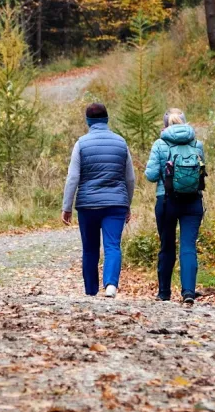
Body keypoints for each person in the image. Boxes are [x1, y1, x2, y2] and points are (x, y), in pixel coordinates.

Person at [62, 103, 136, 298]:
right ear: (107, 119)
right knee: (112, 245)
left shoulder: (81, 144)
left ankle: (91, 291)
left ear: (88, 121)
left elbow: (73, 178)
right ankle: (111, 285)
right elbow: (130, 178)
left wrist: (67, 207)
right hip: (116, 204)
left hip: (88, 205)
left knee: (89, 248)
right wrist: (127, 203)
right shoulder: (121, 143)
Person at [145, 108, 205, 304]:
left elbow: (151, 175)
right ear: (185, 123)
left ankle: (164, 293)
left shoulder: (160, 144)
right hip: (193, 201)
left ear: (165, 126)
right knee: (188, 247)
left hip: (166, 201)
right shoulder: (197, 144)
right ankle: (188, 292)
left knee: (167, 246)